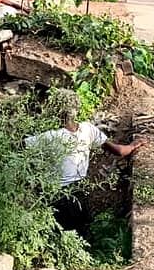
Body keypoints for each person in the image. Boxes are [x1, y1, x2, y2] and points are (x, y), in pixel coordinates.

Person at [25, 90, 147, 231]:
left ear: (56, 110)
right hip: (80, 193)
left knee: (57, 233)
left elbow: (21, 145)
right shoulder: (88, 129)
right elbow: (119, 151)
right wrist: (133, 145)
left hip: (56, 195)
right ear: (76, 110)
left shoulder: (50, 136)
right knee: (81, 231)